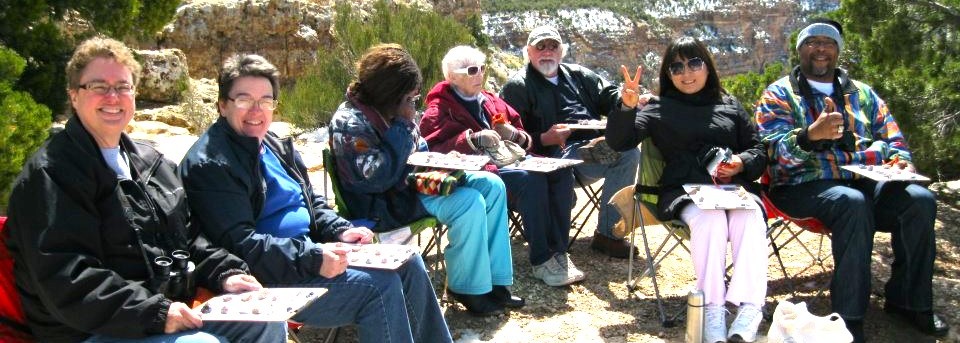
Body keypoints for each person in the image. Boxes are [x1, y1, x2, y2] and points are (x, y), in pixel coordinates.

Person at [3, 36, 286, 343]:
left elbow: (189, 237)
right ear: (74, 95)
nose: (113, 97)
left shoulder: (151, 162)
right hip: (89, 330)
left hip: (161, 310)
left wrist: (226, 273)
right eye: (99, 86)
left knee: (267, 322)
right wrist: (157, 313)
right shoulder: (51, 175)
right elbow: (68, 279)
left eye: (123, 87)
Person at [178, 53, 452, 342]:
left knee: (409, 263)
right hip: (268, 277)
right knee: (378, 288)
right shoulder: (212, 164)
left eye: (266, 101)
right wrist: (314, 258)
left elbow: (313, 203)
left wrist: (340, 229)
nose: (257, 111)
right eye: (244, 100)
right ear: (223, 105)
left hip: (308, 254)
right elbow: (240, 244)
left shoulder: (273, 144)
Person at [755, 19, 949, 341]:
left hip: (863, 179)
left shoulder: (863, 94)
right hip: (799, 185)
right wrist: (807, 137)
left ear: (838, 51)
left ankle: (909, 302)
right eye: (812, 42)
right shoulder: (779, 94)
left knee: (919, 201)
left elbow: (894, 139)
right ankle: (848, 318)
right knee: (852, 203)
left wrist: (900, 163)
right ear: (800, 50)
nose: (820, 49)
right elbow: (769, 153)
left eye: (828, 43)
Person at [328, 43, 522, 317]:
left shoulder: (393, 109)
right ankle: (467, 286)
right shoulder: (350, 121)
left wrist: (444, 160)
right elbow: (374, 179)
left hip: (411, 185)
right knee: (468, 202)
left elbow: (418, 149)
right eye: (409, 98)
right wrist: (403, 126)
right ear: (390, 93)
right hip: (382, 203)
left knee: (492, 185)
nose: (413, 104)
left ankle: (494, 280)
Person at [607, 36, 769, 343]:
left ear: (708, 67)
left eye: (694, 63)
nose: (686, 72)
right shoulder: (658, 108)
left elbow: (758, 150)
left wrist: (740, 162)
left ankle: (750, 307)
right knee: (710, 220)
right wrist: (625, 108)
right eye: (676, 66)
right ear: (668, 75)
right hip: (685, 191)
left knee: (749, 219)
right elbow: (620, 142)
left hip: (732, 189)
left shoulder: (729, 104)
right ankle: (712, 307)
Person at [419, 45, 584, 287]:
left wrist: (515, 135)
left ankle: (559, 251)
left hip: (513, 161)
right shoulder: (438, 110)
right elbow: (433, 151)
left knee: (561, 171)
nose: (480, 75)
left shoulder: (489, 100)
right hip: (481, 173)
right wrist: (471, 140)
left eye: (482, 68)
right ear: (452, 76)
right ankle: (542, 259)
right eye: (472, 70)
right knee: (532, 179)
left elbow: (524, 138)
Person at [500, 25, 642, 259]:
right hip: (552, 156)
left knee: (628, 152)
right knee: (612, 151)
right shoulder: (518, 86)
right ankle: (597, 151)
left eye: (552, 46)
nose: (547, 52)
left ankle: (607, 235)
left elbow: (609, 96)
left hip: (589, 150)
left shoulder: (579, 75)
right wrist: (544, 138)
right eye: (540, 47)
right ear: (528, 51)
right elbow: (509, 139)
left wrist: (626, 97)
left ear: (561, 51)